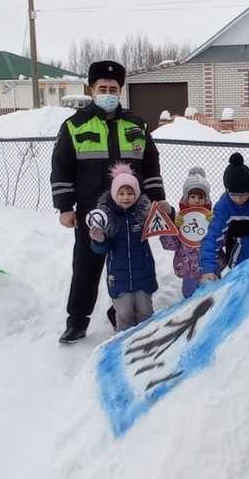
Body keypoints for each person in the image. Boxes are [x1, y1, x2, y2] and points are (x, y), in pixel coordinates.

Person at [50, 60, 164, 345]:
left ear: (121, 89)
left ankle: (121, 312)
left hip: (132, 215)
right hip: (93, 215)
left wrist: (157, 202)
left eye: (114, 88)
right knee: (86, 268)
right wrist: (65, 207)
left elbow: (151, 168)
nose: (108, 92)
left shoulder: (137, 126)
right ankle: (77, 322)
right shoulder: (74, 126)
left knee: (130, 264)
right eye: (102, 88)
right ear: (91, 89)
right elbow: (61, 167)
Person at [89, 164, 157, 331]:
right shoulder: (107, 218)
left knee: (145, 313)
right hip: (119, 277)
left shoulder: (144, 215)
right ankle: (124, 345)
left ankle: (146, 344)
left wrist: (167, 212)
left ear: (137, 193)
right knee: (124, 314)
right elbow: (102, 249)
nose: (125, 197)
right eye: (121, 193)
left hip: (143, 273)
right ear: (114, 194)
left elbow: (164, 229)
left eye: (130, 193)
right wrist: (99, 240)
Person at [199, 153, 249, 282]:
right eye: (233, 195)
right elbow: (212, 238)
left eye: (243, 194)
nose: (238, 199)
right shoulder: (224, 207)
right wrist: (208, 269)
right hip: (240, 260)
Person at [159, 167, 212, 299]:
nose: (197, 200)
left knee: (212, 300)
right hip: (188, 272)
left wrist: (215, 225)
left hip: (209, 270)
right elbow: (169, 245)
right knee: (190, 300)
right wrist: (173, 227)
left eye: (201, 197)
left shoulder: (211, 218)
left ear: (206, 198)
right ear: (186, 198)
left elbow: (220, 241)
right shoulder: (179, 219)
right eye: (192, 196)